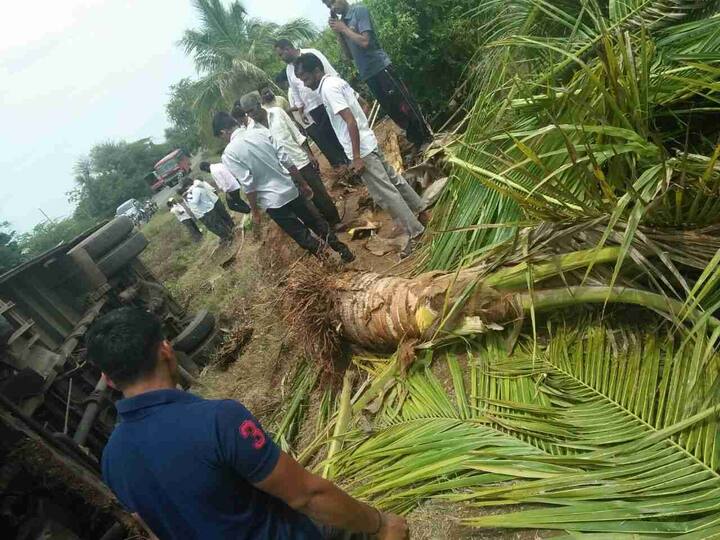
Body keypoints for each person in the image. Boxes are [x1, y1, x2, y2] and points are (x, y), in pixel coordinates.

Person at [88, 307, 408, 540]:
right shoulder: (217, 421)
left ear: (108, 379)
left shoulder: (111, 461)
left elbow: (154, 530)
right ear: (166, 351)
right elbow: (308, 496)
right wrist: (379, 525)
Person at [295, 54, 425, 258]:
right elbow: (363, 105)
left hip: (362, 151)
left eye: (306, 78)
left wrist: (356, 156)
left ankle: (415, 231)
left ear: (317, 71)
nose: (304, 83)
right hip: (368, 141)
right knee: (394, 181)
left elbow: (350, 121)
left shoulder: (328, 89)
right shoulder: (336, 82)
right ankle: (420, 209)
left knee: (386, 194)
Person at [213, 112, 354, 263]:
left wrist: (255, 211)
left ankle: (328, 262)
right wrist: (302, 183)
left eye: (221, 137)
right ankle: (344, 251)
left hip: (272, 202)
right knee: (316, 222)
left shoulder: (229, 154)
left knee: (301, 234)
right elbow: (286, 160)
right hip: (289, 188)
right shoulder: (261, 133)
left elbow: (248, 184)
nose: (223, 140)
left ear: (223, 131)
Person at [325, 0, 432, 149]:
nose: (333, 7)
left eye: (333, 2)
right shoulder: (343, 23)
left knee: (404, 103)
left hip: (380, 67)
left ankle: (426, 136)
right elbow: (348, 56)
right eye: (329, 6)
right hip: (368, 74)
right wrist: (339, 34)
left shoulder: (358, 11)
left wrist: (344, 29)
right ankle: (417, 140)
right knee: (393, 110)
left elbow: (365, 42)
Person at [239, 92, 341, 227]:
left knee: (319, 194)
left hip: (300, 161)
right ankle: (325, 229)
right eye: (247, 113)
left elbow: (296, 135)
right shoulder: (251, 132)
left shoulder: (278, 112)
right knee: (305, 204)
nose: (250, 115)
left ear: (259, 104)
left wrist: (309, 154)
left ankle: (335, 221)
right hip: (284, 172)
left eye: (251, 110)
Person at [274, 39, 349, 169]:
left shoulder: (311, 53)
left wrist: (341, 91)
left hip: (328, 100)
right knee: (330, 137)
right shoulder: (289, 70)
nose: (281, 58)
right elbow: (295, 91)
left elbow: (329, 71)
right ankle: (346, 164)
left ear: (288, 48)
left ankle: (352, 156)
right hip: (313, 109)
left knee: (342, 130)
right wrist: (301, 110)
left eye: (281, 54)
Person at [184, 179, 234, 243]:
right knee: (219, 222)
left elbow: (195, 202)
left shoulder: (195, 190)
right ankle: (229, 233)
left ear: (188, 186)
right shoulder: (198, 186)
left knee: (216, 225)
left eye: (186, 187)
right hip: (210, 207)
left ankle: (228, 237)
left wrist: (189, 199)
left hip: (207, 210)